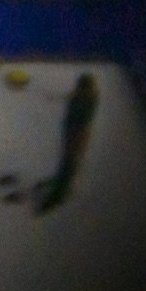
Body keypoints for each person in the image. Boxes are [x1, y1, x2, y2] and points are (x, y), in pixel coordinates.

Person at [32, 73, 100, 215]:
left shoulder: (88, 101)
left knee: (70, 162)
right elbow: (73, 98)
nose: (77, 90)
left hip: (77, 136)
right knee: (65, 160)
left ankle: (59, 194)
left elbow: (83, 124)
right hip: (70, 132)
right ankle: (59, 181)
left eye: (81, 89)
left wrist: (77, 142)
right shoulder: (80, 96)